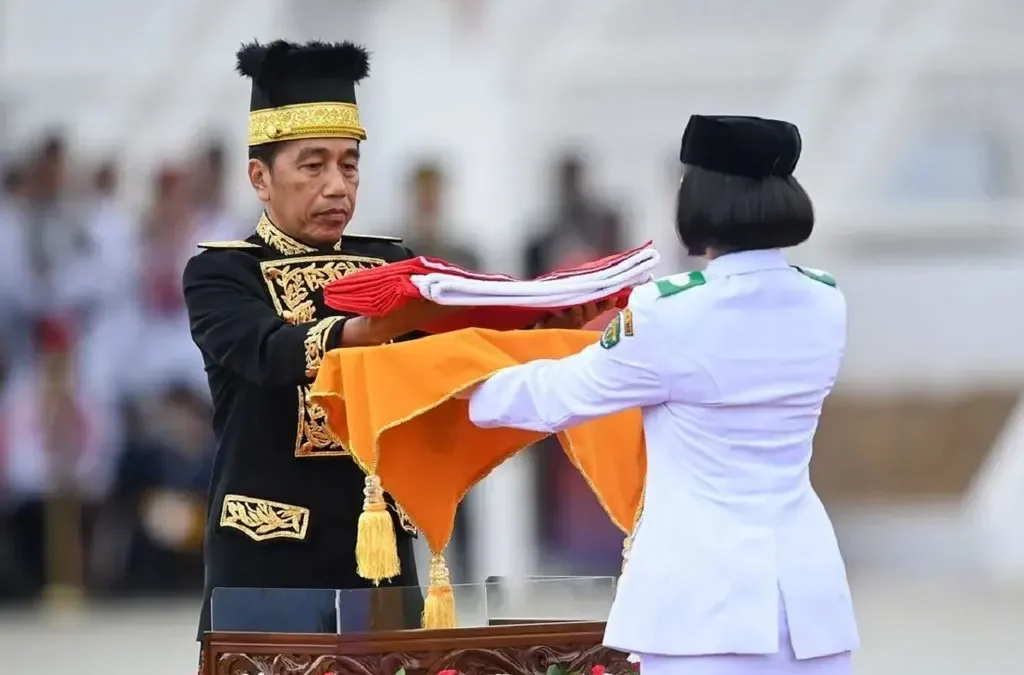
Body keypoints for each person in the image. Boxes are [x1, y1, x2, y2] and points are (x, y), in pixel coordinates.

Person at [183, 39, 603, 653]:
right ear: (259, 178)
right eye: (313, 165)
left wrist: (556, 321)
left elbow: (462, 346)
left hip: (375, 546)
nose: (336, 186)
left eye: (349, 165)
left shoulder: (391, 263)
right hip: (269, 553)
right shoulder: (223, 274)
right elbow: (267, 351)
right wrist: (368, 327)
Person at [459, 115, 858, 674]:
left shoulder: (671, 313)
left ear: (699, 203)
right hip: (810, 604)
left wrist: (456, 378)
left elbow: (559, 395)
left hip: (703, 609)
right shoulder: (826, 303)